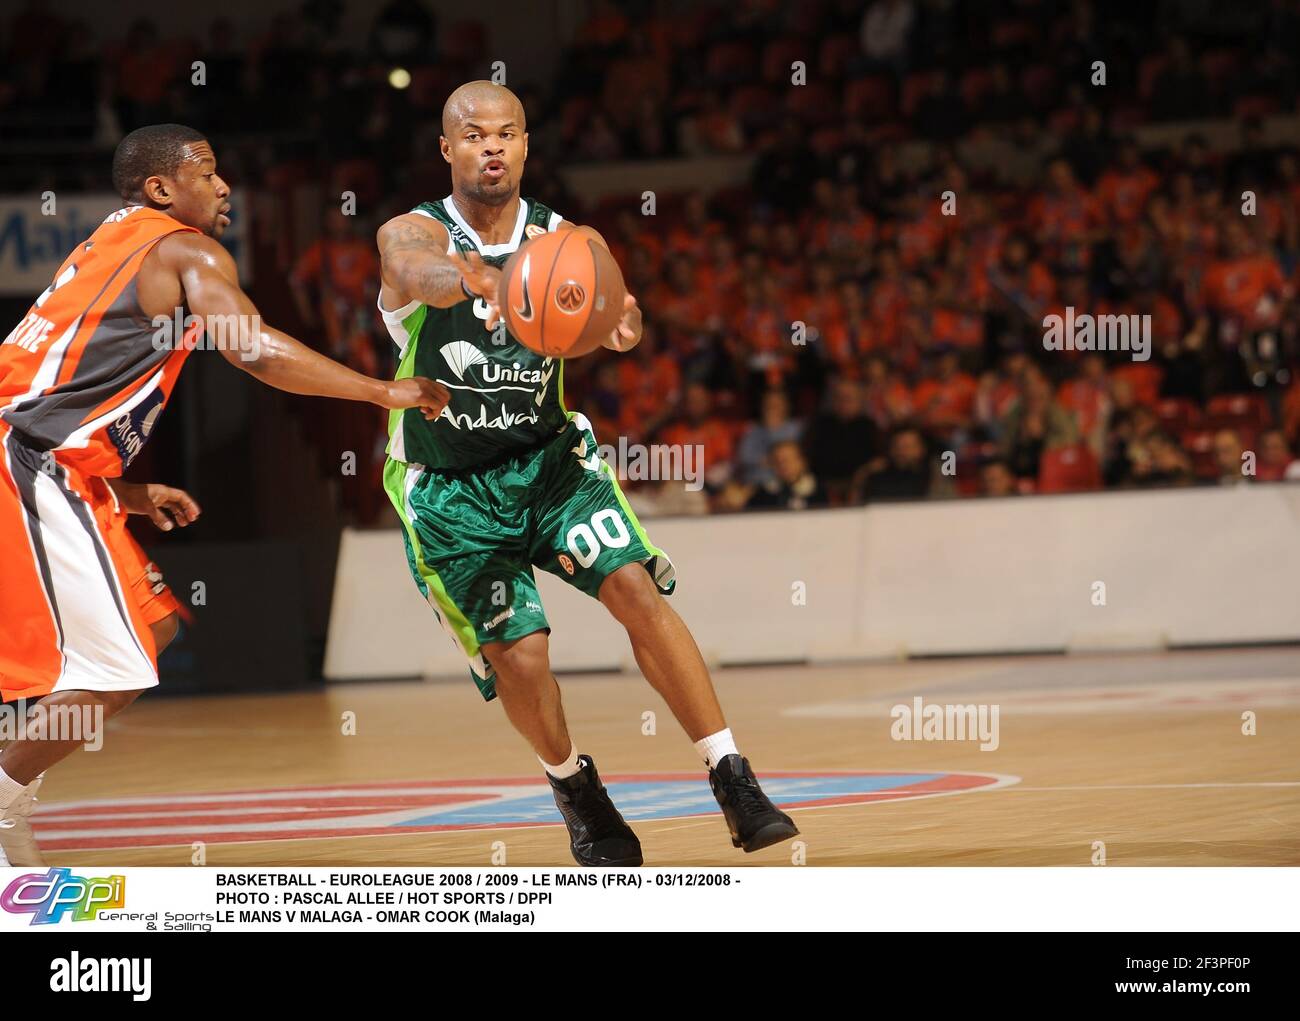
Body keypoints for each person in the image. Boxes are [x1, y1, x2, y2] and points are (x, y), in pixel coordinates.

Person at [373, 82, 797, 866]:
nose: (491, 147)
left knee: (636, 586)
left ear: (527, 145)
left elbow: (623, 319)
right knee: (522, 652)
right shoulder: (410, 232)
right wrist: (480, 280)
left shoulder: (568, 238)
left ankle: (732, 774)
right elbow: (416, 272)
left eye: (507, 134)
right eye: (474, 136)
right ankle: (576, 788)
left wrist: (617, 320)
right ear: (447, 149)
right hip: (448, 487)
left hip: (550, 462)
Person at [0, 124, 448, 866]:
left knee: (152, 631)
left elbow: (59, 384)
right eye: (205, 173)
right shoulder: (185, 250)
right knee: (114, 667)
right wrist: (381, 390)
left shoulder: (107, 243)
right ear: (160, 188)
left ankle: (13, 790)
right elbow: (250, 347)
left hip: (51, 467)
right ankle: (6, 795)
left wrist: (127, 489)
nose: (223, 186)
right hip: (28, 464)